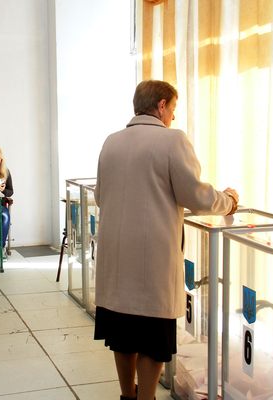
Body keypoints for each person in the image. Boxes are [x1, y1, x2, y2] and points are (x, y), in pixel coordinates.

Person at [93, 80, 239, 400]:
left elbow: (101, 196)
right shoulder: (172, 140)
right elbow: (196, 195)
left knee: (122, 334)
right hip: (153, 259)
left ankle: (128, 395)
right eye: (173, 108)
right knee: (152, 338)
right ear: (161, 106)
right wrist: (228, 201)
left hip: (115, 256)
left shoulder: (111, 142)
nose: (173, 116)